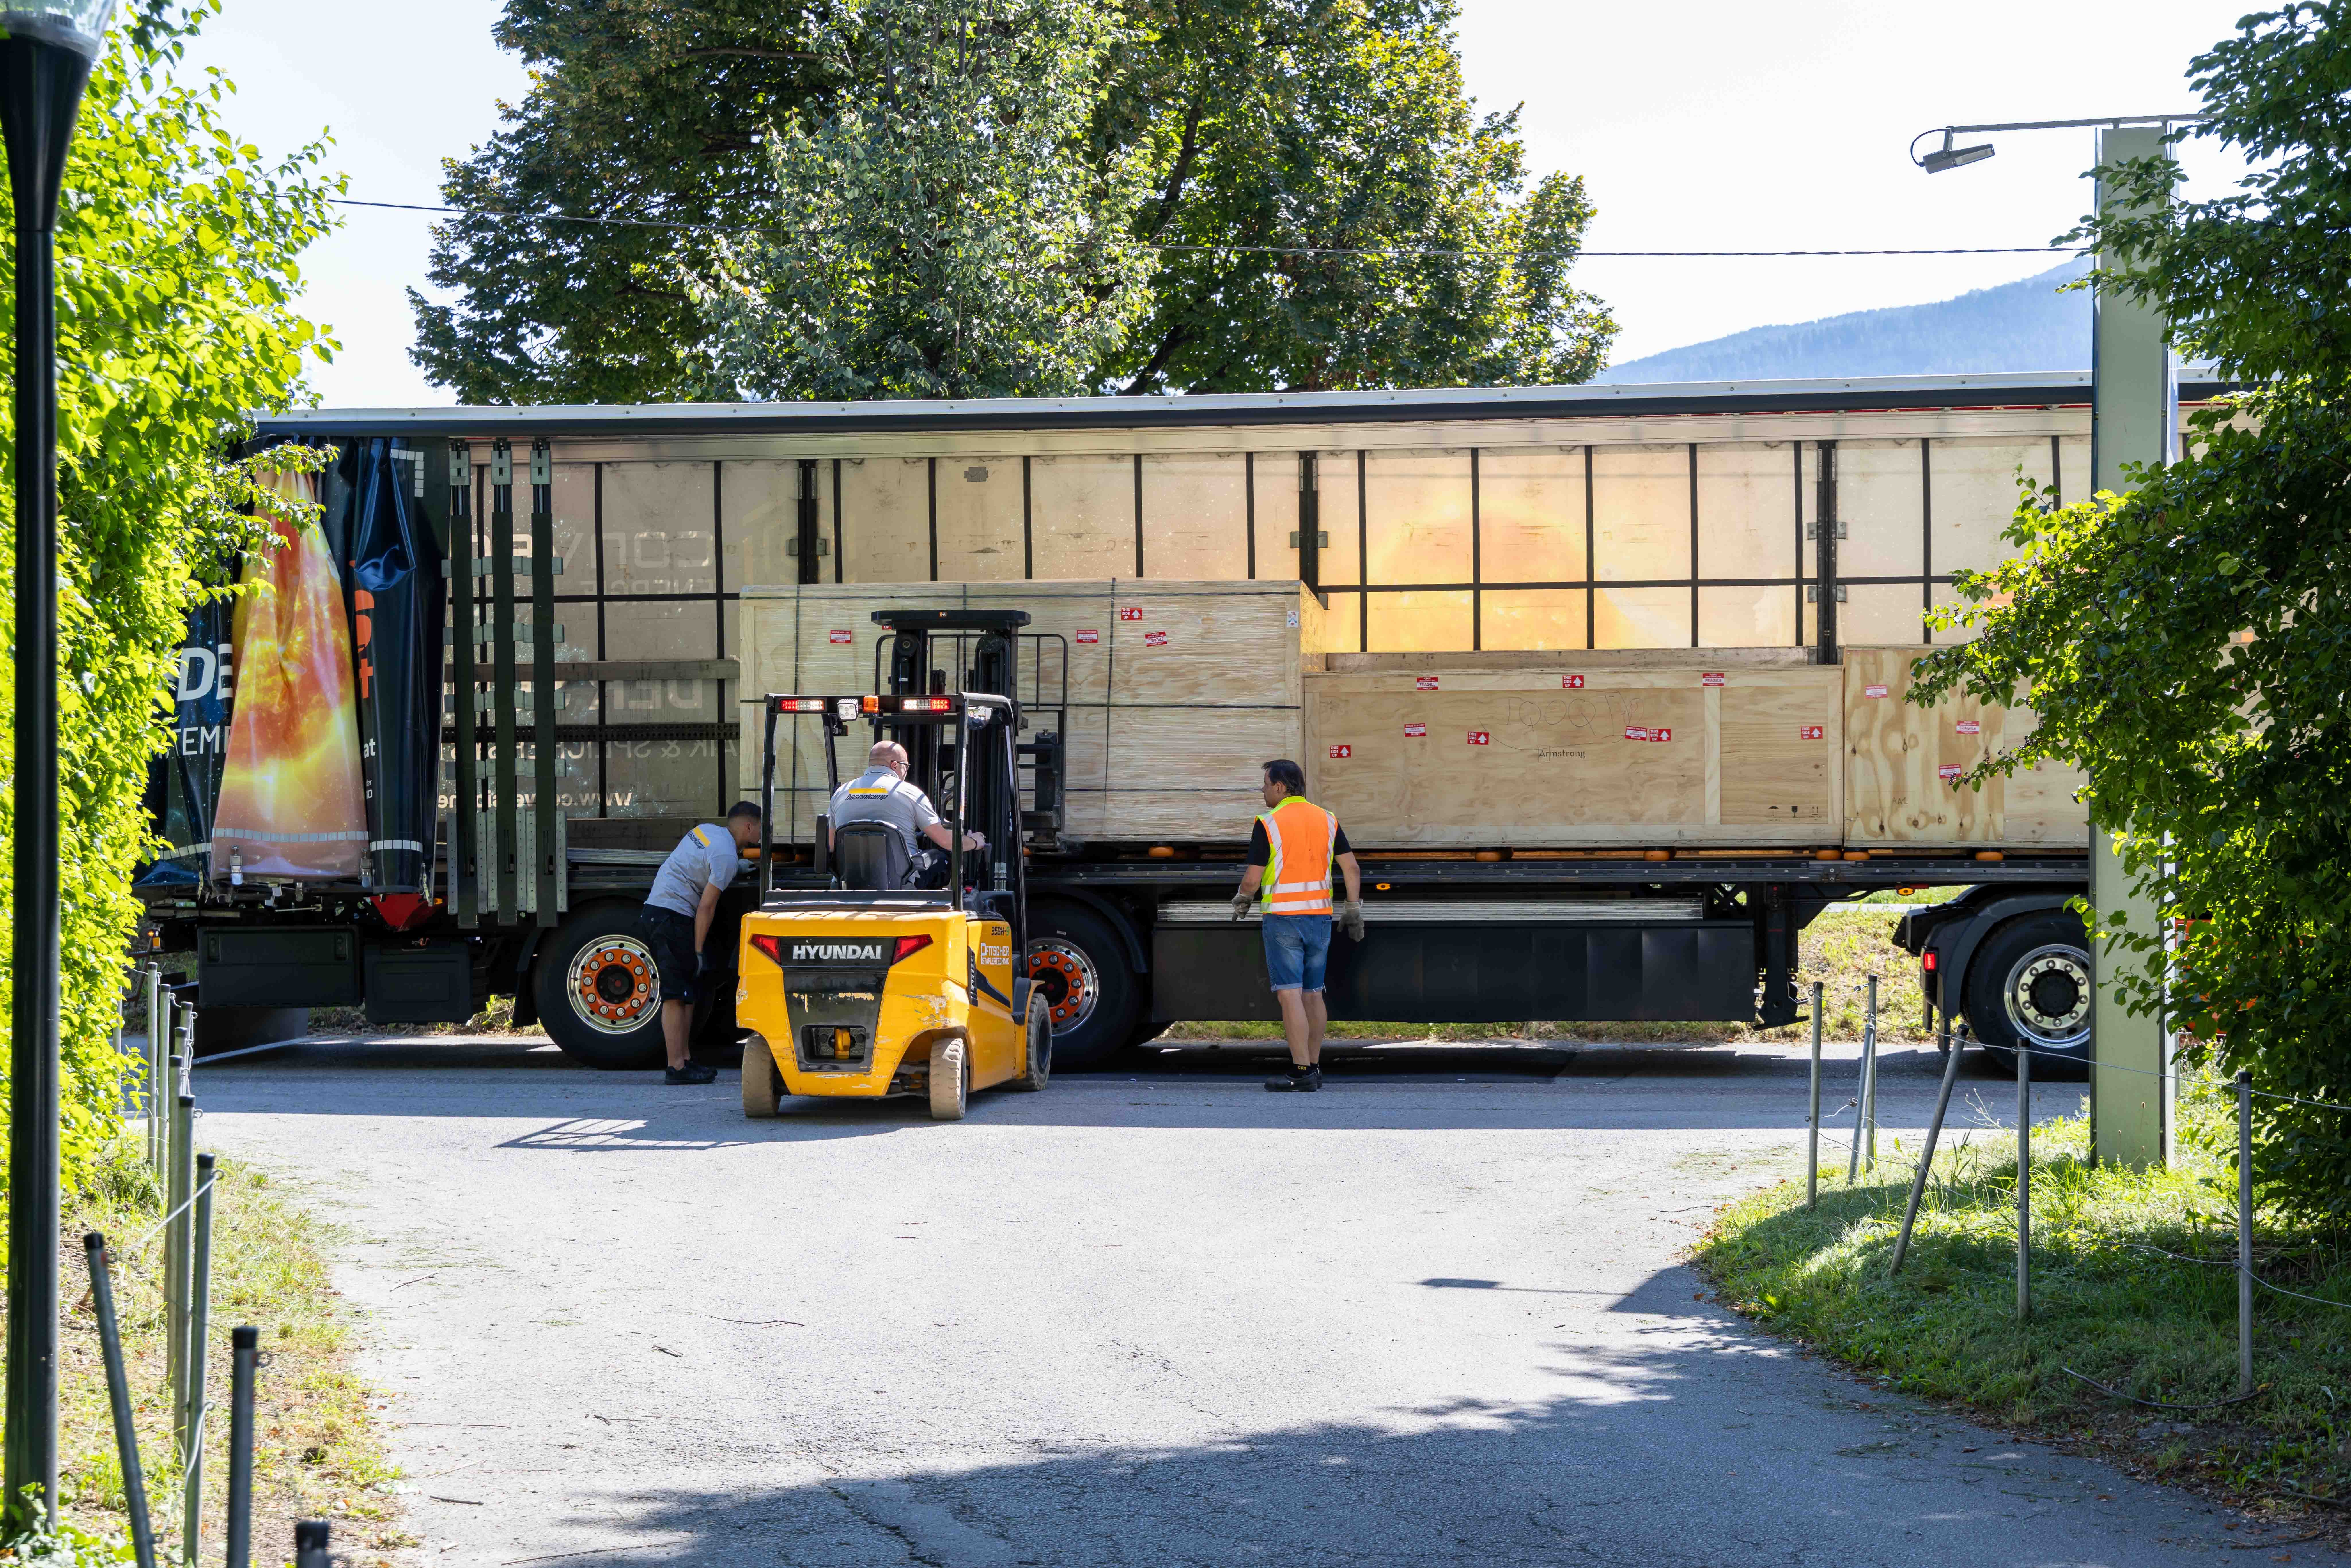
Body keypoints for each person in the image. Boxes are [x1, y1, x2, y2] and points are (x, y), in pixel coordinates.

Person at [1230, 758, 1364, 1092]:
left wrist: (1243, 900)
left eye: (1265, 784)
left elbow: (1251, 879)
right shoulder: (1327, 819)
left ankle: (1300, 1072)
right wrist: (1351, 909)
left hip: (1283, 920)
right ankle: (1315, 1067)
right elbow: (1352, 870)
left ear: (1280, 787)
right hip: (1319, 917)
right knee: (1313, 994)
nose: (1262, 791)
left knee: (1289, 996)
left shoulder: (1268, 822)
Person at [637, 802, 764, 1085]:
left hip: (658, 913)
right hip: (671, 918)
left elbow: (700, 863)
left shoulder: (706, 831)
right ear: (748, 826)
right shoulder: (726, 857)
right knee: (674, 995)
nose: (762, 833)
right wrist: (697, 950)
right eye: (761, 827)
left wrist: (738, 865)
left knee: (687, 993)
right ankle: (675, 1067)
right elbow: (707, 907)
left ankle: (685, 1061)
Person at [828, 740, 985, 888]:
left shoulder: (841, 793)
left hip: (849, 881)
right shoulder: (908, 792)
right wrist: (974, 842)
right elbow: (946, 841)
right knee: (942, 859)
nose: (906, 771)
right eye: (906, 766)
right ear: (895, 765)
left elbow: (832, 845)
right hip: (902, 882)